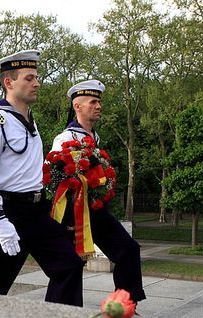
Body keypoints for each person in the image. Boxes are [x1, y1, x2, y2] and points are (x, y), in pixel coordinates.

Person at [0, 49, 85, 306]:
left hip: (36, 210)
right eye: (29, 78)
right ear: (8, 82)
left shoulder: (29, 120)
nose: (37, 83)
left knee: (68, 266)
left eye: (36, 77)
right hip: (8, 211)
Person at [51, 80, 146, 304]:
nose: (98, 106)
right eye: (93, 102)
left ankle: (126, 302)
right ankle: (61, 310)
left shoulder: (94, 138)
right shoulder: (65, 139)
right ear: (78, 106)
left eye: (99, 102)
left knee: (128, 250)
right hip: (72, 213)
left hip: (94, 208)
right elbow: (54, 179)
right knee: (70, 265)